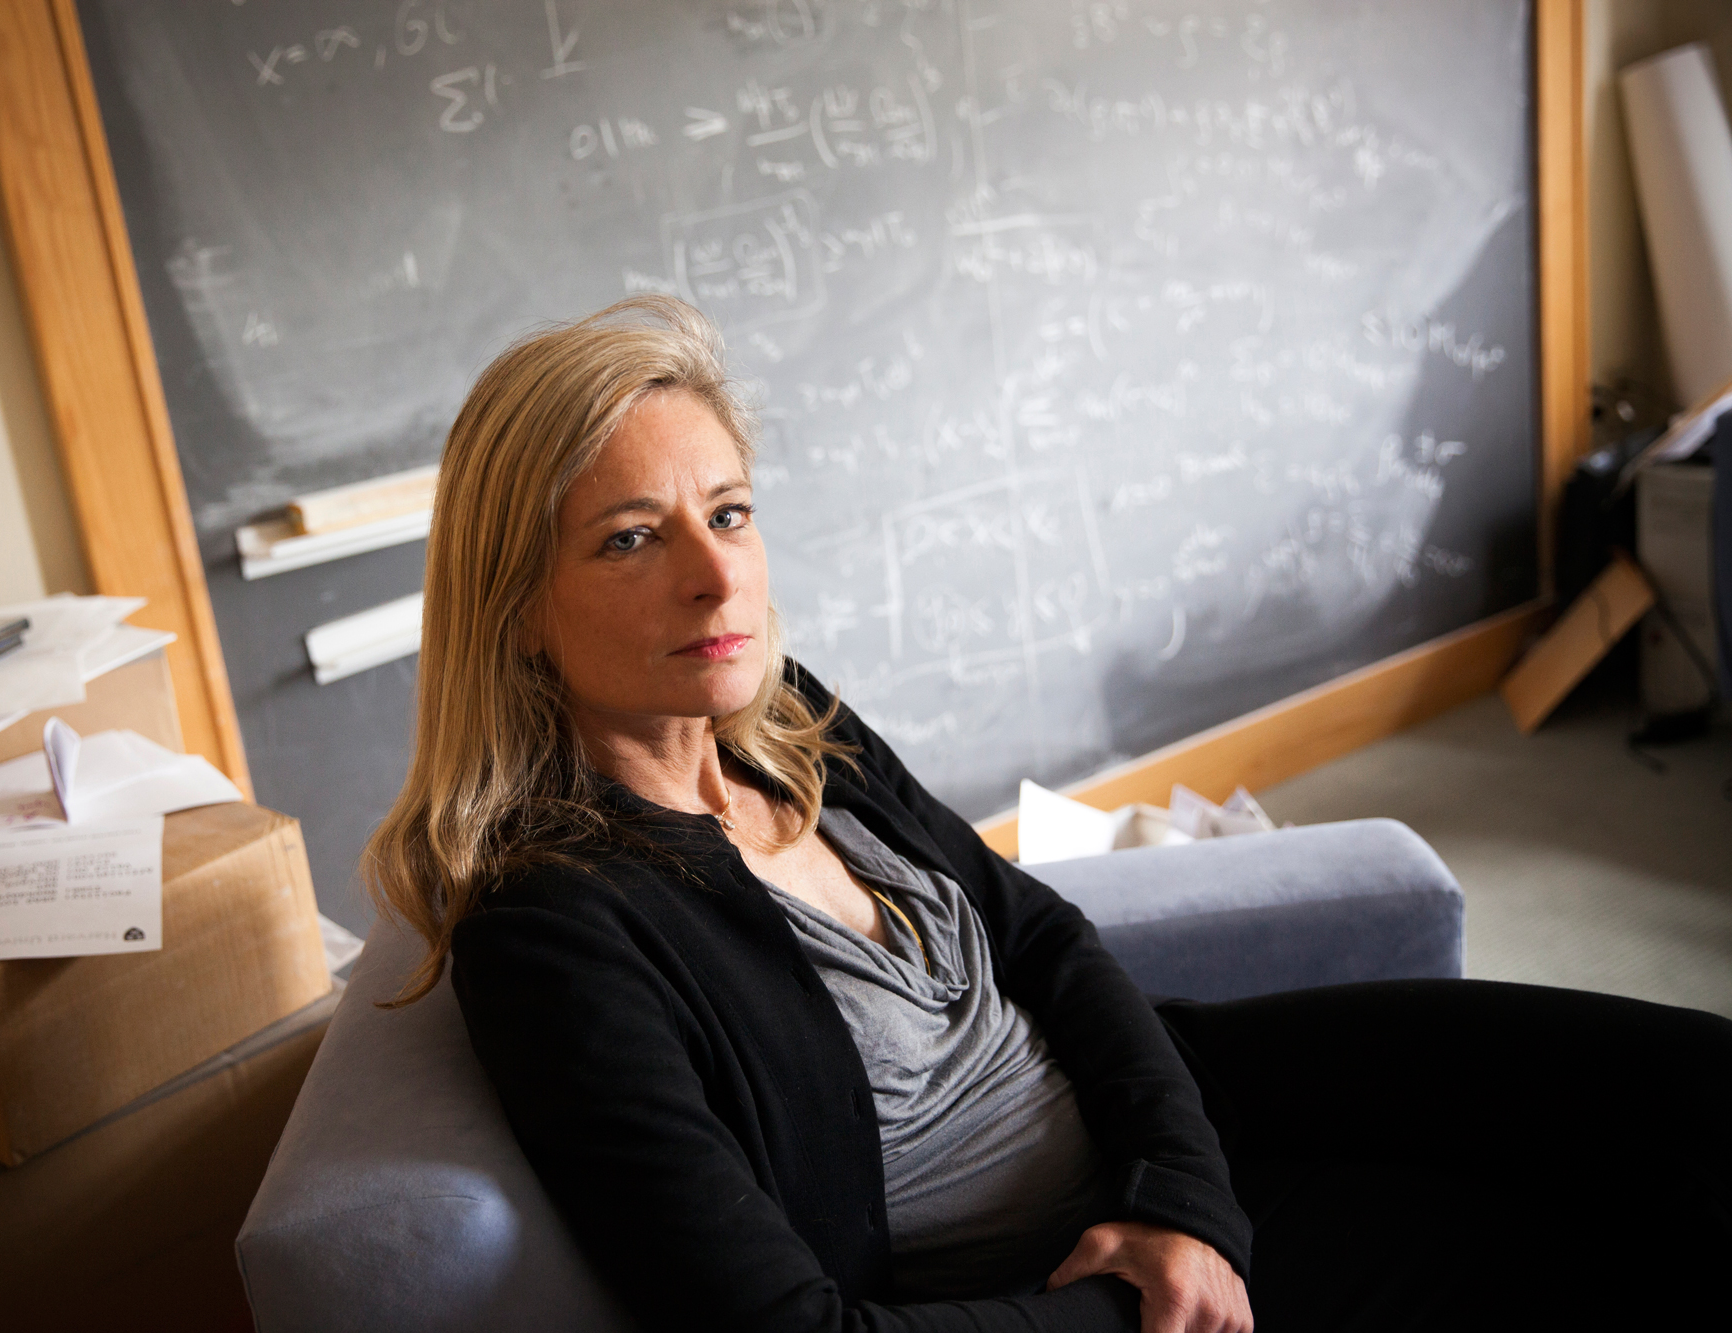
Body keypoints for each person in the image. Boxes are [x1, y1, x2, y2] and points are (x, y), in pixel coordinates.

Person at [366, 297, 1731, 1332]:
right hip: (1055, 1284)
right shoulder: (554, 928)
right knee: (1584, 1257)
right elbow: (782, 1324)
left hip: (1176, 1118)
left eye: (729, 511)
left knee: (1683, 1095)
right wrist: (1154, 1280)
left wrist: (1182, 1191)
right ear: (515, 611)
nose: (719, 581)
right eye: (629, 537)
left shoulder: (787, 719)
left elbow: (1047, 939)